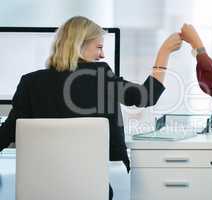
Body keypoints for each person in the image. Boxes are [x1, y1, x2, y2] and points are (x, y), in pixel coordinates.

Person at [0, 16, 182, 199]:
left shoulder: (30, 82)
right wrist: (164, 52)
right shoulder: (100, 75)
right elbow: (147, 96)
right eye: (99, 47)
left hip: (41, 187)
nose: (102, 55)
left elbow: (7, 133)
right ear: (79, 45)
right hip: (95, 186)